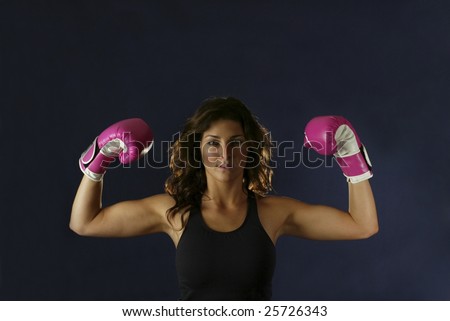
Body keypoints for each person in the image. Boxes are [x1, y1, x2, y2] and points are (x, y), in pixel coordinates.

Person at [70, 97, 378, 300]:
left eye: (236, 143)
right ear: (198, 149)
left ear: (250, 149)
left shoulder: (273, 213)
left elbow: (362, 226)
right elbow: (85, 223)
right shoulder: (174, 212)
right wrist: (98, 159)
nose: (225, 155)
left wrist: (351, 156)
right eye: (213, 143)